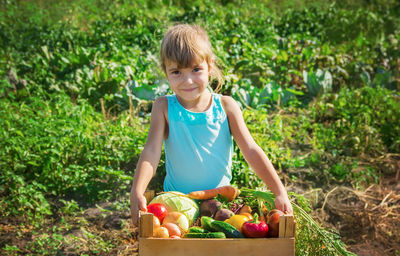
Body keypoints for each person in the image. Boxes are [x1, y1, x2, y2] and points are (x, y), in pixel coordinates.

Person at [130, 24, 292, 226]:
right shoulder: (164, 106)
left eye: (196, 69)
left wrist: (279, 191)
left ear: (210, 66)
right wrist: (137, 190)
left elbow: (250, 149)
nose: (187, 81)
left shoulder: (225, 106)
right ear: (166, 72)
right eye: (176, 72)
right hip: (178, 205)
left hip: (221, 205)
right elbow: (151, 152)